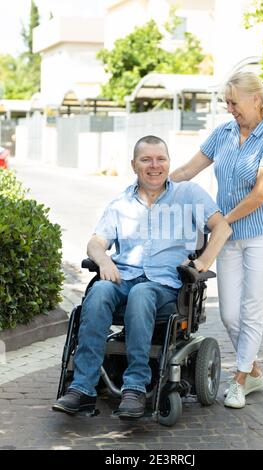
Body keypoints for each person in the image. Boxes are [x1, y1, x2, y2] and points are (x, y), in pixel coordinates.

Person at [53, 135, 232, 418]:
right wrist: (103, 261)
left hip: (164, 288)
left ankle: (134, 387)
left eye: (161, 159)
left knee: (142, 293)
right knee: (98, 291)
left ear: (168, 163)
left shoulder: (188, 195)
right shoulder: (120, 204)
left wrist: (202, 261)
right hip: (123, 279)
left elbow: (222, 228)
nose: (154, 165)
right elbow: (95, 242)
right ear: (134, 165)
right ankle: (82, 389)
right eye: (146, 159)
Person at [170, 71, 263, 409]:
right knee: (229, 314)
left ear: (256, 100)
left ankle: (239, 381)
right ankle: (253, 369)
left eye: (234, 102)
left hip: (262, 235)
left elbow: (260, 194)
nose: (230, 109)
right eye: (227, 102)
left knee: (251, 309)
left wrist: (222, 221)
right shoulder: (223, 132)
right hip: (228, 236)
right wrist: (156, 184)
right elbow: (189, 170)